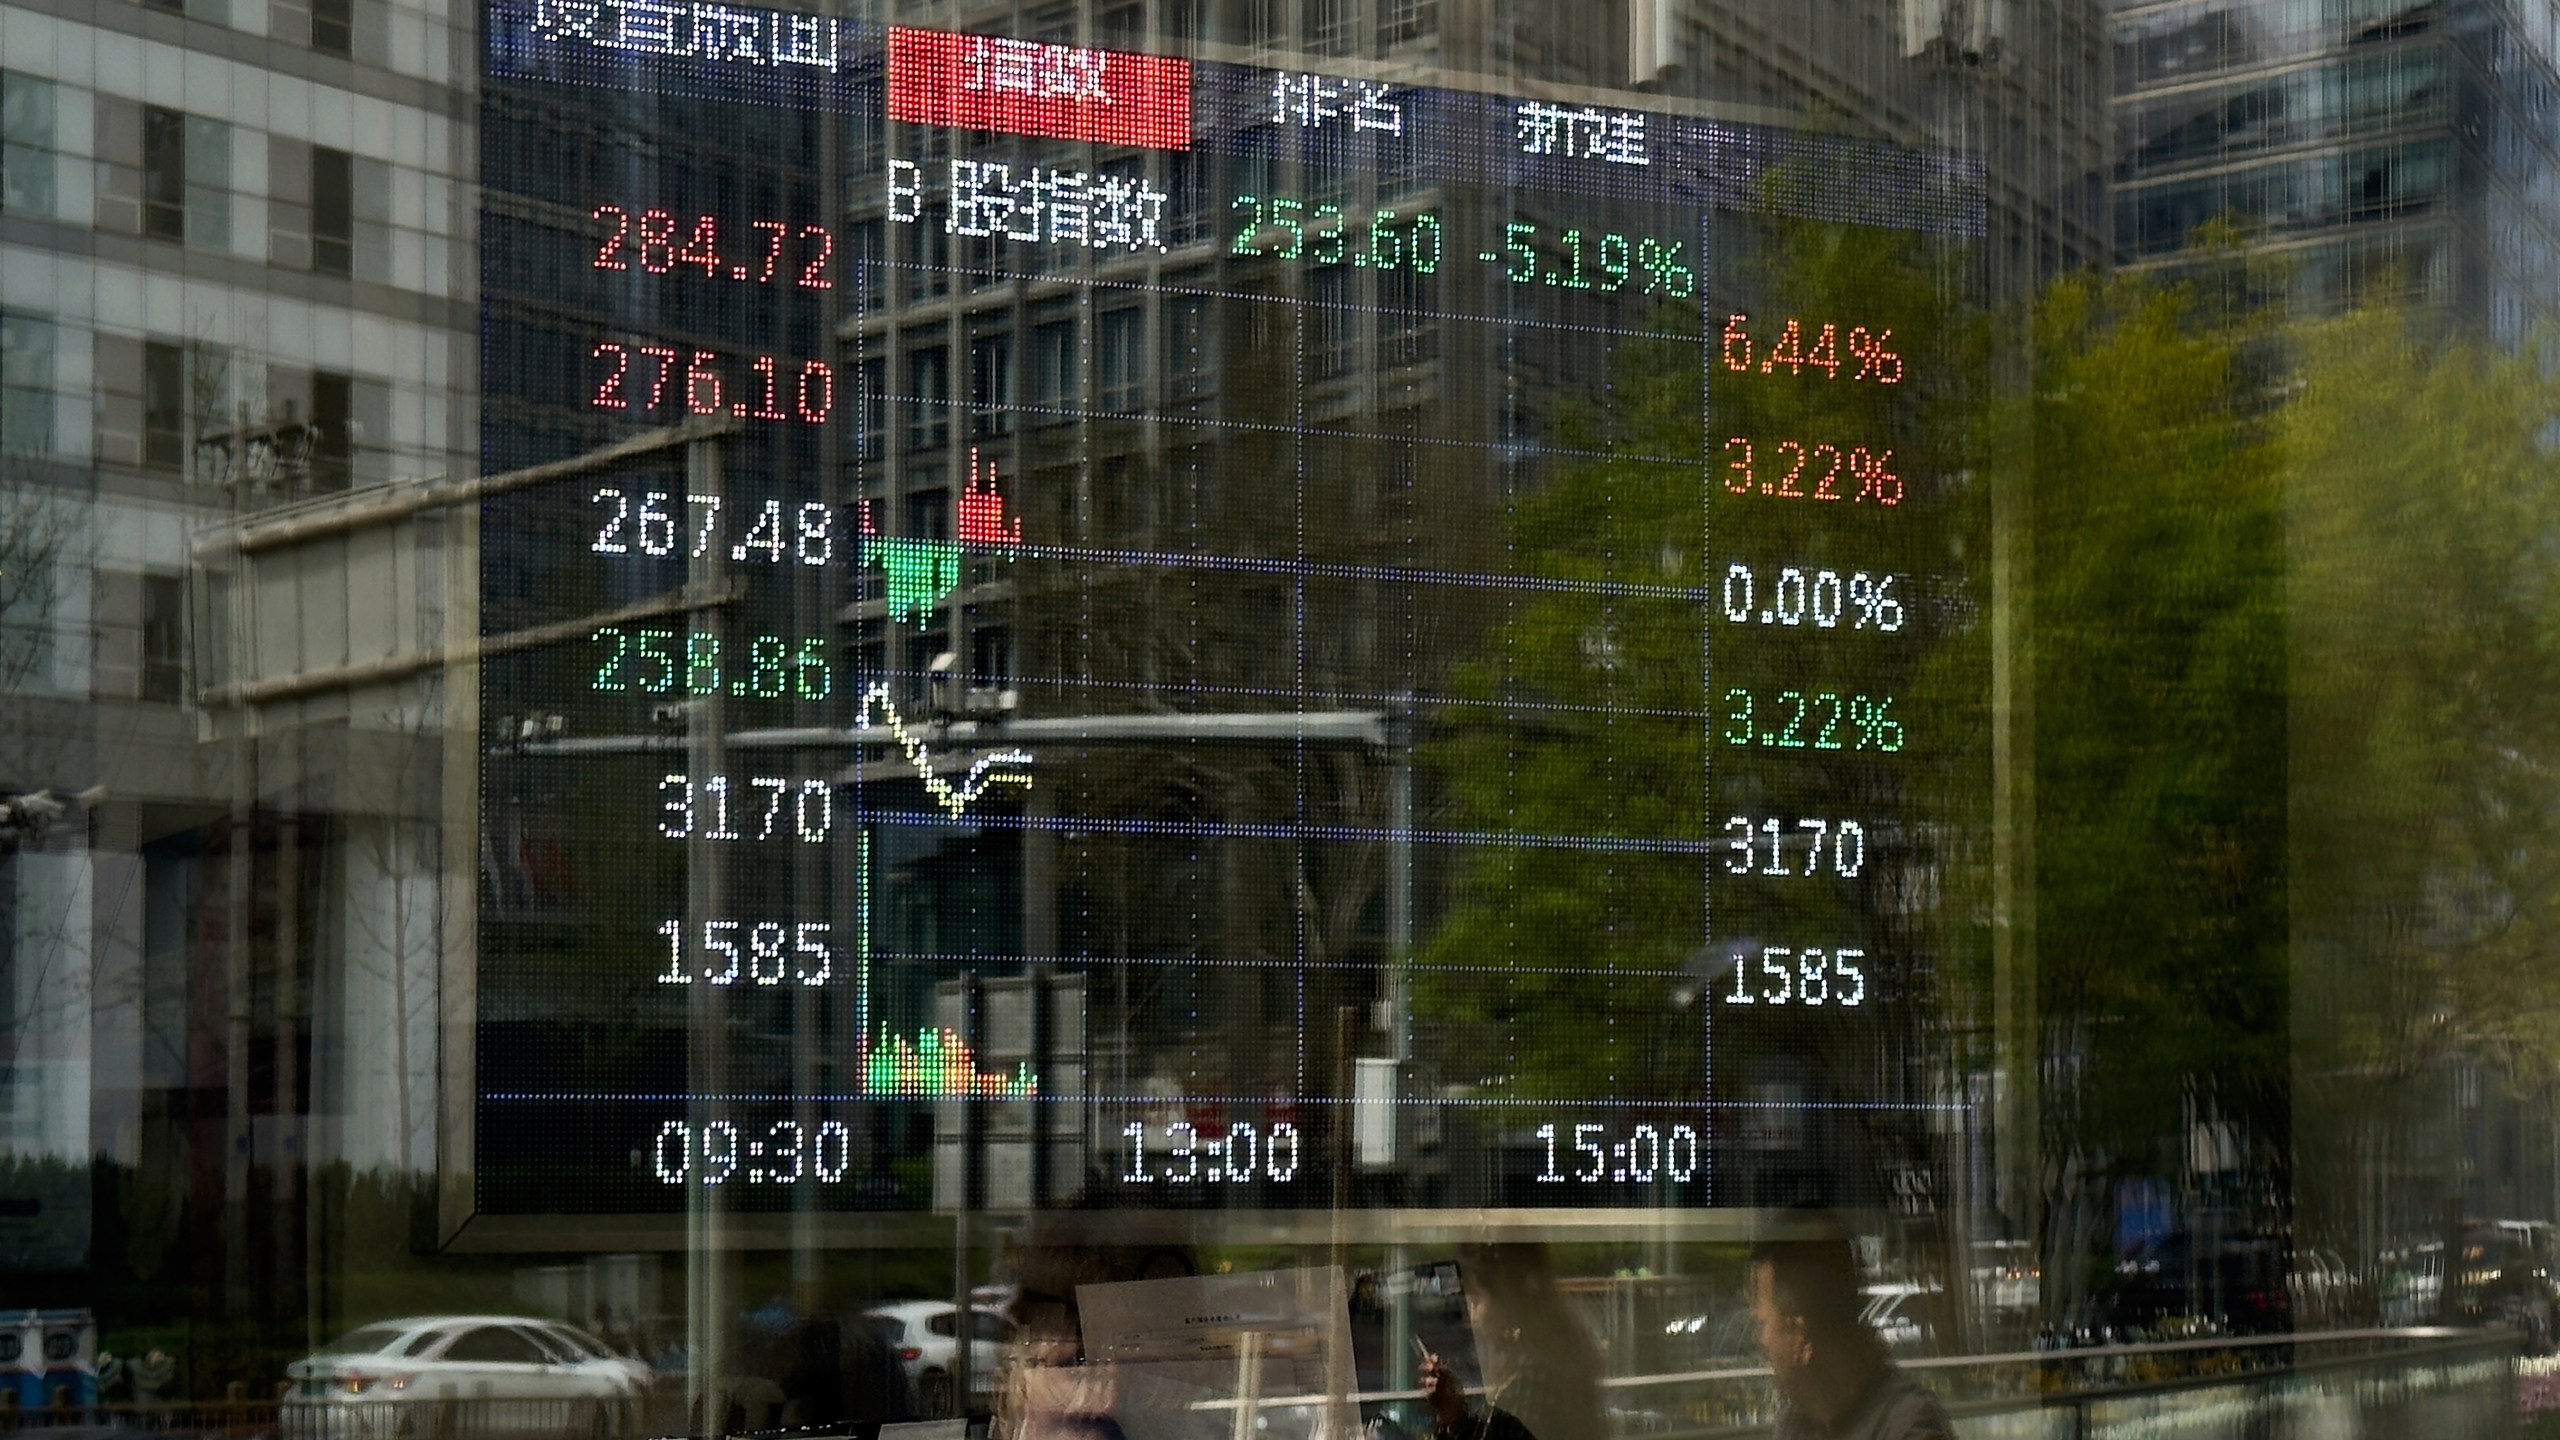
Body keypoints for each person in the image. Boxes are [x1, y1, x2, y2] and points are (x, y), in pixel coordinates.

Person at [1749, 1226, 1952, 1440]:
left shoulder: (1907, 1427)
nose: (1761, 1339)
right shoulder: (1795, 1425)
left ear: (1799, 1331)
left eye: (1763, 1323)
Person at [1419, 1244, 1604, 1440]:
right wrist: (1454, 1415)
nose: (1472, 1316)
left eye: (1476, 1300)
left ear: (1509, 1302)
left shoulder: (1530, 1383)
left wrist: (1455, 1420)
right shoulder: (1542, 1366)